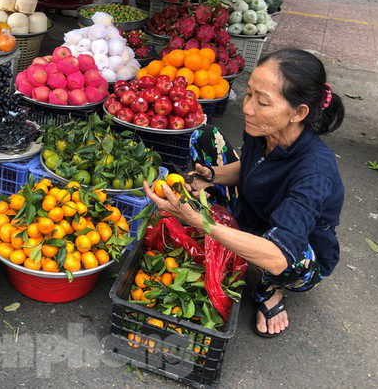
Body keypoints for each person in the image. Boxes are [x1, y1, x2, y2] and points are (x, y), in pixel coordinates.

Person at [144, 49, 346, 338]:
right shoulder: (262, 128)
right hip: (255, 212)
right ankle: (232, 233)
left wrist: (200, 223)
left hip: (293, 249)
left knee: (287, 261)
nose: (248, 108)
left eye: (262, 102)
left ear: (298, 113)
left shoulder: (315, 172)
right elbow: (252, 165)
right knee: (204, 137)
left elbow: (278, 256)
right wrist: (212, 177)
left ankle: (270, 292)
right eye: (249, 94)